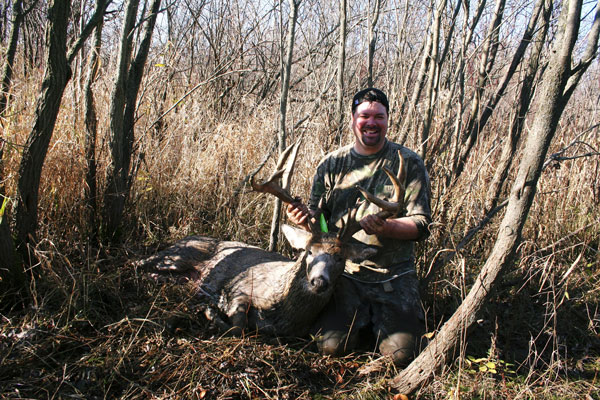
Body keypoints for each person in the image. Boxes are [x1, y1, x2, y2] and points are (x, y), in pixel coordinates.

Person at [286, 88, 431, 366]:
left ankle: (380, 330)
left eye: (379, 116)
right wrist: (302, 218)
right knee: (329, 347)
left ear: (388, 120)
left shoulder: (408, 163)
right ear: (353, 119)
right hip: (345, 274)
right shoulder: (332, 164)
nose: (371, 122)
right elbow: (319, 219)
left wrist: (386, 228)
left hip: (393, 275)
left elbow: (421, 225)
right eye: (364, 115)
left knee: (402, 356)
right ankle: (359, 329)